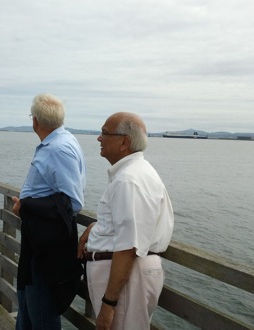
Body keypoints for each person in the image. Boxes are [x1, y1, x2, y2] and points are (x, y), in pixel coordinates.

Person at [77, 112, 174, 330]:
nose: (98, 138)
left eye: (104, 133)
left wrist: (108, 304)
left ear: (124, 142)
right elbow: (130, 227)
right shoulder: (135, 173)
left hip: (128, 280)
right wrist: (95, 228)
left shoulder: (129, 180)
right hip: (129, 277)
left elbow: (129, 246)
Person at [11, 93, 86, 330]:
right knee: (26, 304)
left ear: (35, 121)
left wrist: (26, 207)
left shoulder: (58, 149)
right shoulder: (57, 142)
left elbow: (73, 202)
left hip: (48, 246)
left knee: (41, 313)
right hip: (38, 240)